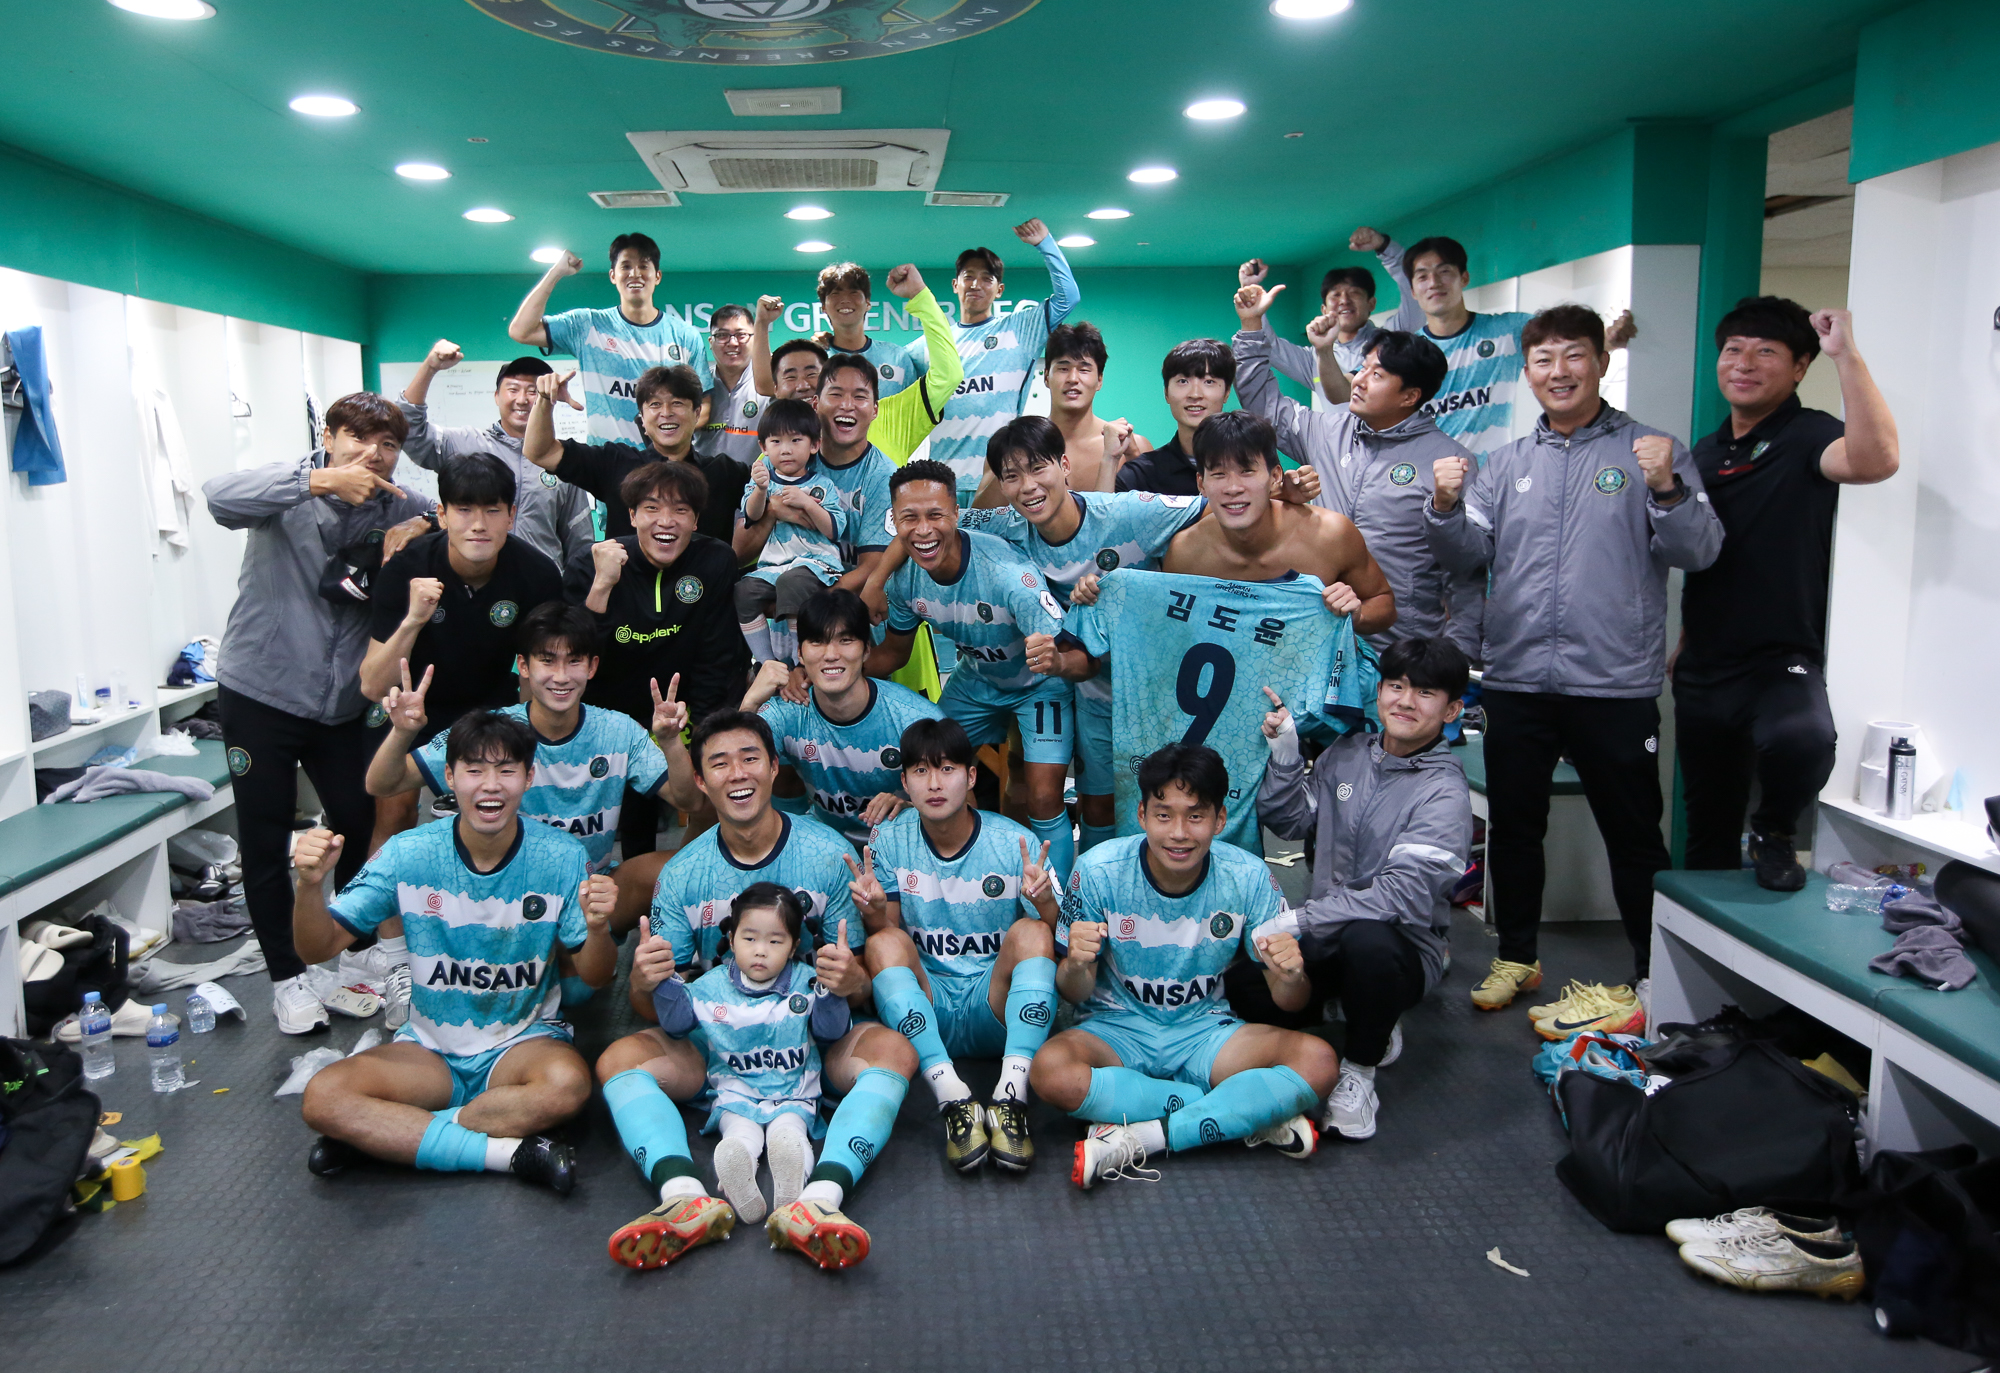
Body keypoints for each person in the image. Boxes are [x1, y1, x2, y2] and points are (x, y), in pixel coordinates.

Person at [1425, 304, 1721, 1020]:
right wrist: (1443, 506)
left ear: (1601, 362)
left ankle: (1651, 973)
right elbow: (1467, 556)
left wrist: (1667, 489)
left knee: (1633, 834)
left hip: (1614, 683)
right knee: (1515, 827)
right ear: (1528, 372)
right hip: (1518, 677)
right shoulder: (1506, 464)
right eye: (1544, 359)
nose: (1559, 372)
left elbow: (1700, 550)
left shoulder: (1652, 451)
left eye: (1574, 355)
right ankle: (1517, 956)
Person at [595, 710, 912, 1272]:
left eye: (750, 758)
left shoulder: (826, 853)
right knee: (618, 1059)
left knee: (894, 1051)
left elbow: (859, 979)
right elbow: (657, 1007)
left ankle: (821, 1199)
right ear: (700, 781)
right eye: (719, 763)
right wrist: (644, 981)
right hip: (717, 1046)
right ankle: (684, 1195)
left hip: (809, 1040)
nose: (737, 773)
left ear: (773, 768)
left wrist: (853, 979)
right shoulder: (683, 874)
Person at [292, 710, 616, 1193]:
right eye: (474, 770)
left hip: (521, 1045)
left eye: (506, 770)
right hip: (428, 1053)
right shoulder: (408, 852)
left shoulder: (562, 856)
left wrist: (599, 928)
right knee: (323, 1096)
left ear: (529, 777)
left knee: (567, 1086)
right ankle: (509, 1154)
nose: (491, 785)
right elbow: (316, 947)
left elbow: (597, 975)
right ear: (449, 776)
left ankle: (393, 1135)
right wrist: (308, 886)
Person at [202, 392, 433, 1035]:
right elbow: (218, 497)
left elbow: (450, 520)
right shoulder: (285, 491)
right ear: (328, 437)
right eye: (358, 438)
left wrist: (421, 528)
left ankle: (353, 952)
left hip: (342, 705)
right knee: (266, 834)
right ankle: (287, 978)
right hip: (262, 691)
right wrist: (317, 482)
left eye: (388, 444)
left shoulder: (399, 502)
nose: (374, 454)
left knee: (357, 822)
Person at [1029, 744, 1338, 1186]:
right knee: (1050, 1071)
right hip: (1116, 1029)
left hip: (1205, 1031)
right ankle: (1238, 1112)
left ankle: (1147, 1135)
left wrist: (1292, 975)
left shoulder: (1249, 876)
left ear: (1219, 820)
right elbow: (1073, 993)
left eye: (1195, 816)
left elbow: (1291, 1001)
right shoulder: (1097, 870)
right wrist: (1077, 965)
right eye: (1163, 815)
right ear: (1141, 815)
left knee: (1319, 1061)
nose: (1179, 833)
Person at [1676, 298, 1898, 890]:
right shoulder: (1704, 452)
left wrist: (1845, 355)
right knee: (1707, 822)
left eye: (1766, 352)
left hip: (1781, 654)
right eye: (1733, 350)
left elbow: (1877, 460)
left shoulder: (1809, 434)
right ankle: (1699, 937)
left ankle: (1774, 830)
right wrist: (1687, 637)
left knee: (1803, 740)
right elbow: (1707, 555)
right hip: (1705, 661)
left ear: (1800, 367)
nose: (1744, 363)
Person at [364, 601, 702, 973]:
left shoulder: (619, 730)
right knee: (564, 979)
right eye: (547, 661)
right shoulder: (490, 730)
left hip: (589, 890)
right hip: (504, 897)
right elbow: (382, 783)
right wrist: (402, 732)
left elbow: (689, 800)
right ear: (523, 666)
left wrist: (671, 743)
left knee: (680, 869)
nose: (561, 676)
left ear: (592, 667)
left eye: (574, 661)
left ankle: (679, 967)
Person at [1348, 226, 1636, 662]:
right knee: (1415, 585)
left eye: (1445, 272)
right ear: (1412, 287)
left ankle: (1469, 666)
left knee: (1475, 586)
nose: (1434, 283)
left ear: (1464, 278)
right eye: (1422, 276)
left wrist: (1609, 339)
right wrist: (1387, 251)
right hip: (1415, 485)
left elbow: (1558, 344)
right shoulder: (1405, 353)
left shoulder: (1505, 330)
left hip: (1485, 486)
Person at [1245, 637, 1474, 1140]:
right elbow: (1288, 821)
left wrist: (1299, 919)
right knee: (1245, 987)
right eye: (1396, 686)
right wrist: (1285, 754)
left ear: (1452, 710)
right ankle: (1352, 1005)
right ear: (1380, 692)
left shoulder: (1444, 792)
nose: (1406, 702)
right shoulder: (1347, 753)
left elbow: (1400, 897)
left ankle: (1361, 1068)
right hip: (1326, 934)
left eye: (1425, 693)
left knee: (1368, 941)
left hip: (1400, 949)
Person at [843, 717, 1061, 1173]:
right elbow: (889, 935)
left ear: (972, 776)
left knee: (1034, 932)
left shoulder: (1015, 841)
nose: (935, 783)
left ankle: (1011, 1097)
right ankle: (952, 1098)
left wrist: (1045, 903)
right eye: (921, 771)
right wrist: (874, 910)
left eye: (947, 769)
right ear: (905, 783)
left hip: (994, 1006)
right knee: (882, 941)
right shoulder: (890, 839)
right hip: (928, 1007)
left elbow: (1057, 938)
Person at [865, 459, 1092, 884]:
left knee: (1044, 797)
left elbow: (1069, 653)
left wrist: (1058, 660)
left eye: (936, 515)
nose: (923, 530)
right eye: (909, 518)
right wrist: (824, 671)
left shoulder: (1010, 577)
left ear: (957, 514)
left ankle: (1058, 904)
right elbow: (893, 654)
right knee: (929, 774)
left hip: (1039, 685)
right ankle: (959, 882)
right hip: (976, 680)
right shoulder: (903, 581)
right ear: (893, 521)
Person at [1233, 282, 1466, 651]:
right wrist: (1251, 327)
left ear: (1410, 396)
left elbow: (1466, 568)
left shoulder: (1449, 460)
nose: (1358, 381)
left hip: (1401, 648)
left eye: (1377, 375)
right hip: (1319, 637)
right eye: (1362, 368)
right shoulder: (1328, 431)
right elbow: (1264, 404)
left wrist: (1459, 650)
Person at [742, 265, 962, 591]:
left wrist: (919, 296)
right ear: (816, 400)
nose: (847, 405)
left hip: (866, 598)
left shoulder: (892, 415)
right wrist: (771, 507)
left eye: (859, 395)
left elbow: (948, 375)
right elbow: (741, 551)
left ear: (873, 405)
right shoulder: (786, 450)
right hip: (792, 592)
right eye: (834, 392)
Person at [651, 884, 850, 1230]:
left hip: (794, 1094)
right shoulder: (710, 986)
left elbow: (832, 1032)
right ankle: (737, 1165)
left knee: (789, 1133)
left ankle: (792, 1181)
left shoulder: (807, 982)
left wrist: (831, 990)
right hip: (735, 1093)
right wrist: (662, 982)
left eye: (775, 941)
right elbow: (677, 1025)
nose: (760, 950)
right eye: (749, 938)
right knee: (739, 1133)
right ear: (731, 940)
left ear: (793, 947)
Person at [578, 461, 748, 861]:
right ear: (631, 514)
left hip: (680, 713)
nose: (666, 521)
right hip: (611, 714)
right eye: (652, 508)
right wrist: (601, 586)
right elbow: (576, 656)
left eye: (680, 510)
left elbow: (718, 654)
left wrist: (703, 728)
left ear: (696, 520)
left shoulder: (715, 560)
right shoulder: (593, 563)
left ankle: (683, 880)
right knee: (623, 817)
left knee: (702, 800)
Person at [358, 455, 564, 742]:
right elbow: (372, 687)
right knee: (385, 762)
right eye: (464, 510)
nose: (479, 524)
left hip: (495, 710)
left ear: (511, 516)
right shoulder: (404, 569)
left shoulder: (538, 574)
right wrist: (413, 620)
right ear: (442, 515)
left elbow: (540, 668)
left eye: (492, 511)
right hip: (414, 706)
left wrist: (528, 734)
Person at [1156, 411, 1396, 640]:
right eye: (1219, 474)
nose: (1233, 488)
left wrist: (1357, 615)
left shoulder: (1330, 533)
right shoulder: (1185, 553)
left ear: (1275, 477)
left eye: (1247, 471)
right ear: (1201, 484)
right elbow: (1171, 632)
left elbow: (1383, 603)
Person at [742, 589, 943, 844]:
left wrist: (912, 810)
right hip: (824, 848)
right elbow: (732, 771)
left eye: (845, 640)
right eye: (817, 641)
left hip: (903, 845)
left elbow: (959, 808)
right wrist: (750, 702)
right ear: (800, 653)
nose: (831, 654)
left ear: (866, 649)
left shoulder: (916, 718)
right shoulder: (789, 710)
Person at [916, 219, 1080, 502]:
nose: (975, 284)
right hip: (943, 483)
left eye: (986, 278)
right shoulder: (931, 344)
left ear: (999, 289)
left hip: (1001, 481)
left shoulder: (1020, 329)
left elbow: (1068, 298)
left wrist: (1045, 244)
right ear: (955, 285)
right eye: (968, 276)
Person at [396, 346, 595, 569]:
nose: (522, 400)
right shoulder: (465, 444)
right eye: (513, 389)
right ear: (496, 397)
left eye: (533, 391)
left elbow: (579, 540)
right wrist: (430, 368)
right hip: (473, 579)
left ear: (551, 398)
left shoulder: (561, 460)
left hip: (542, 583)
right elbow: (409, 431)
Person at [507, 235, 711, 448]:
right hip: (605, 461)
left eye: (643, 266)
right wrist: (556, 273)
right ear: (613, 275)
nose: (635, 273)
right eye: (626, 266)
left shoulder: (686, 336)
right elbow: (521, 331)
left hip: (665, 463)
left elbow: (704, 407)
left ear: (657, 276)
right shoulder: (587, 325)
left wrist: (665, 439)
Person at [523, 364, 741, 549]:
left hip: (704, 584)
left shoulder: (724, 472)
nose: (666, 412)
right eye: (655, 404)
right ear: (642, 419)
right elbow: (540, 452)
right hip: (626, 584)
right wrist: (544, 399)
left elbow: (764, 493)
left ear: (697, 413)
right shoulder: (614, 463)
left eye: (677, 403)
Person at [732, 399, 846, 666]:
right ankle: (766, 663)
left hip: (815, 563)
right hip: (773, 566)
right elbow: (752, 515)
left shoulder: (822, 484)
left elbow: (835, 529)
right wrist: (761, 490)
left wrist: (808, 504)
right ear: (763, 447)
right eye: (776, 441)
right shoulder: (761, 481)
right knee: (743, 591)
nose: (786, 450)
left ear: (814, 445)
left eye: (796, 440)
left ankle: (802, 659)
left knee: (792, 582)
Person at [1001, 320, 1149, 498]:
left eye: (1084, 370)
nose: (1072, 378)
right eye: (1063, 368)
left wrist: (1133, 456)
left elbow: (1157, 512)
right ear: (1046, 377)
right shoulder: (1015, 447)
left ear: (1099, 380)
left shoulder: (1133, 447)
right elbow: (981, 513)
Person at [1113, 339, 1236, 497]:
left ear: (1227, 392)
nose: (1195, 394)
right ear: (1166, 393)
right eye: (1183, 381)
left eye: (1209, 381)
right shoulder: (1140, 474)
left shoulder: (1254, 463)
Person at [1239, 256, 1384, 389]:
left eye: (1354, 293)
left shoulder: (1389, 345)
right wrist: (1253, 305)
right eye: (1336, 295)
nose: (1344, 301)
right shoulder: (1313, 360)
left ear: (1371, 303)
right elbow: (1269, 346)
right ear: (1324, 310)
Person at [813, 260, 923, 397]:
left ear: (868, 303)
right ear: (823, 307)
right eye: (835, 293)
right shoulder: (815, 360)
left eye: (853, 292)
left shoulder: (897, 357)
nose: (845, 299)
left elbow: (913, 406)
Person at [697, 304, 764, 467]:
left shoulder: (769, 386)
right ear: (711, 342)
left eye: (741, 335)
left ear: (754, 339)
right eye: (722, 335)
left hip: (757, 481)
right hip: (700, 480)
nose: (733, 343)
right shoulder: (698, 386)